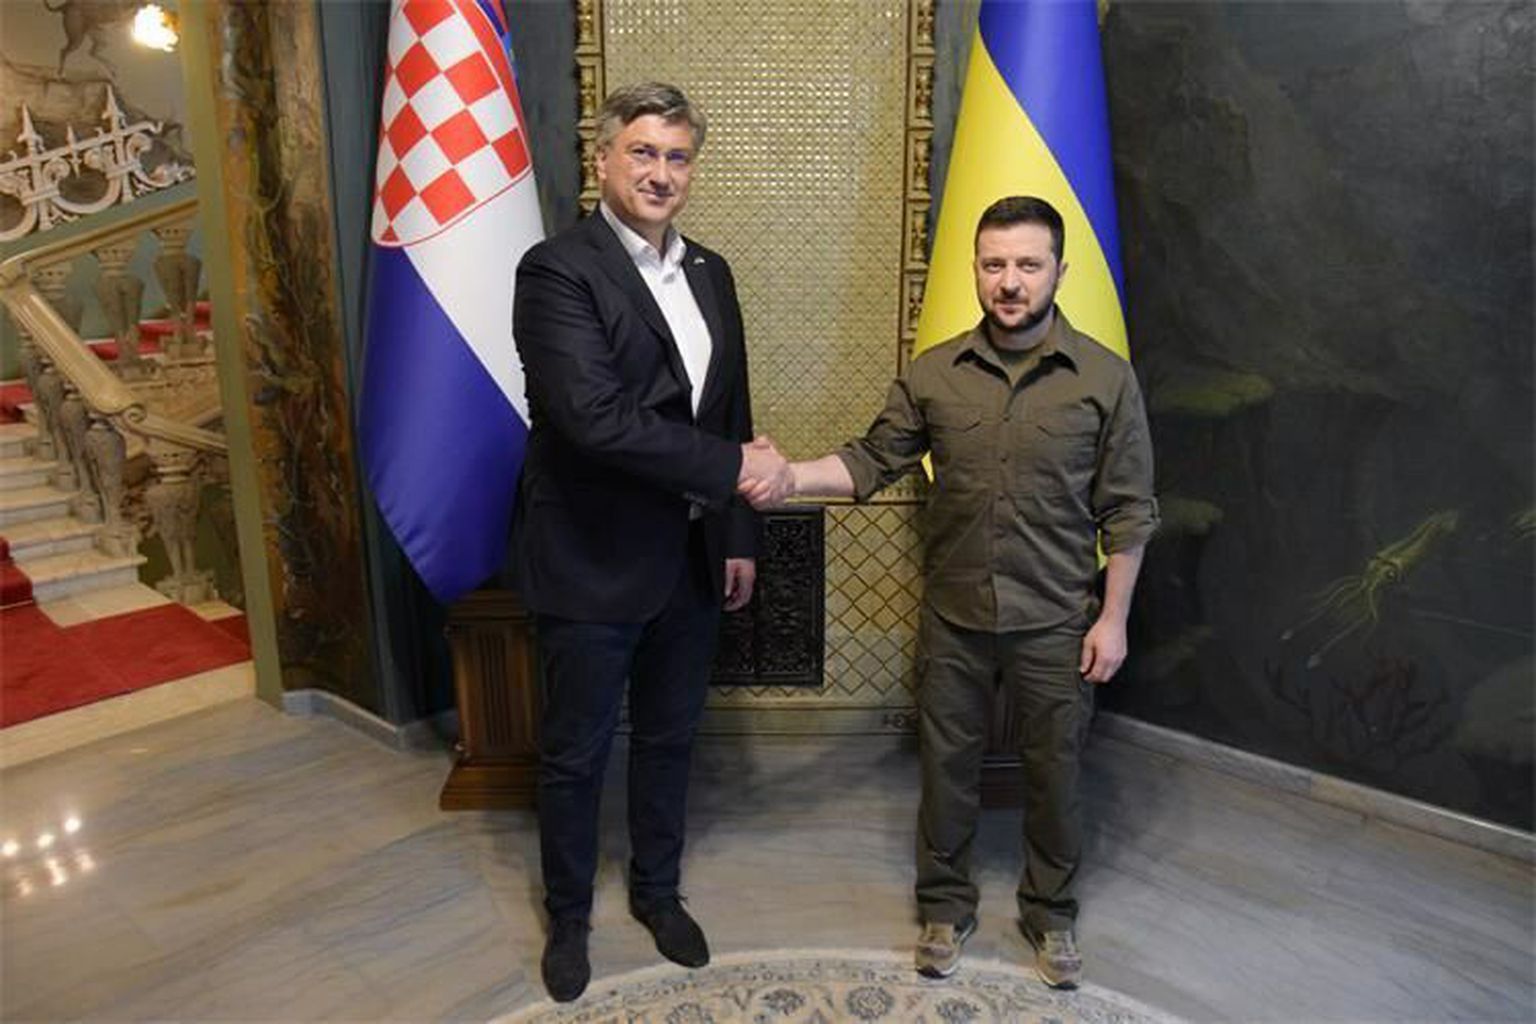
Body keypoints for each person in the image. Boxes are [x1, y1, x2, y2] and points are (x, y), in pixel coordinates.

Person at [743, 196, 1157, 988]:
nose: (1010, 281)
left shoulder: (1106, 379)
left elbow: (1130, 511)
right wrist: (787, 475)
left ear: (1059, 271)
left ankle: (1051, 915)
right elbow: (869, 462)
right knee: (946, 769)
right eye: (994, 264)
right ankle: (944, 906)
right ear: (975, 269)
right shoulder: (934, 373)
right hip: (955, 619)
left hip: (1057, 620)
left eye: (1028, 264)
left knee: (1056, 773)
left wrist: (1114, 619)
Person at [511, 81, 792, 1003]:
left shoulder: (711, 271)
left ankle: (658, 894)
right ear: (603, 160)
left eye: (677, 156)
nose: (661, 173)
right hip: (591, 555)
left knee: (671, 739)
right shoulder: (556, 270)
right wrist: (735, 468)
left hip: (695, 556)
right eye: (642, 152)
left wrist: (738, 530)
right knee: (577, 752)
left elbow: (731, 408)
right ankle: (568, 919)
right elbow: (593, 418)